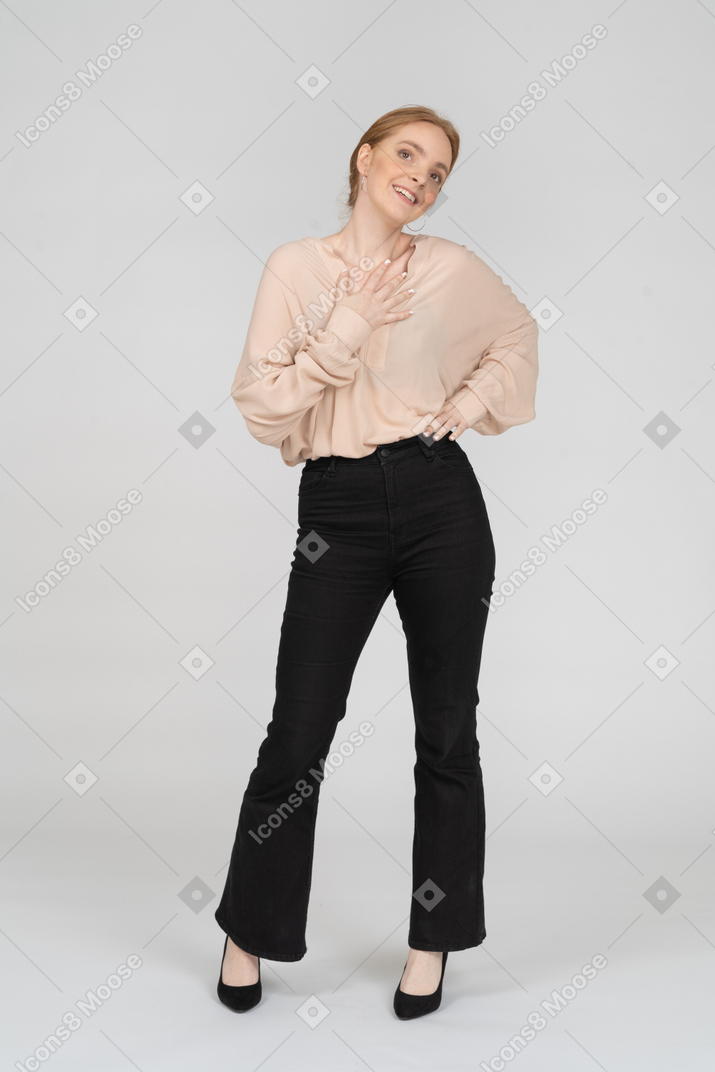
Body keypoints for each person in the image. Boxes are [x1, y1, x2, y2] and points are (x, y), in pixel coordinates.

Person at [215, 105, 539, 1018]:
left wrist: (471, 400)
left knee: (447, 730)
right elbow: (263, 405)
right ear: (364, 158)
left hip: (441, 500)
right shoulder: (297, 268)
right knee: (299, 729)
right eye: (407, 156)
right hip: (339, 505)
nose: (421, 179)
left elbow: (518, 335)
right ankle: (250, 929)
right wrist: (348, 324)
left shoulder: (448, 268)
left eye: (437, 171)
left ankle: (433, 942)